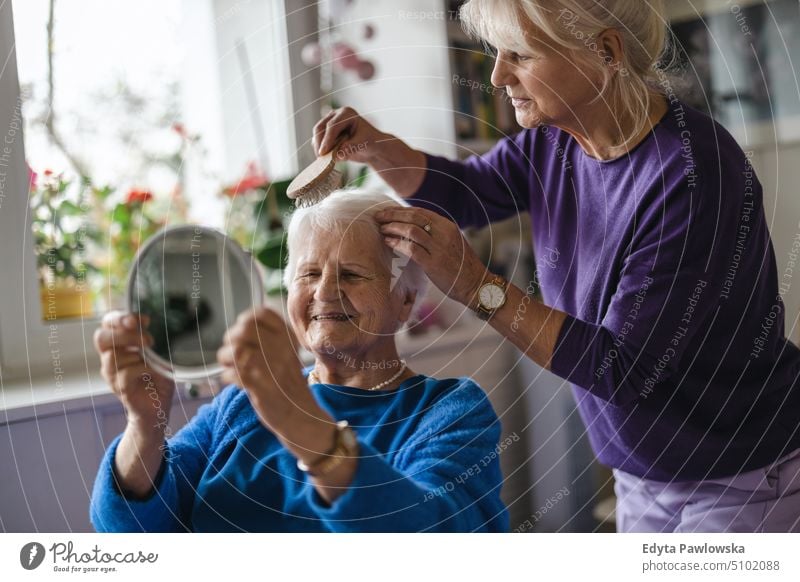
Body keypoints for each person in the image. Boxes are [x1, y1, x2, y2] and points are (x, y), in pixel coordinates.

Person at [312, 0, 800, 532]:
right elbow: (471, 194)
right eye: (497, 54)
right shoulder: (553, 141)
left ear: (605, 51)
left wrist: (477, 286)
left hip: (742, 475)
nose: (498, 76)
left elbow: (622, 368)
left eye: (518, 54)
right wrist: (380, 149)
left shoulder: (690, 176)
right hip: (642, 473)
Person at [89, 189, 509, 533]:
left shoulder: (450, 412)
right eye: (308, 275)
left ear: (405, 299)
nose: (325, 292)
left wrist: (296, 416)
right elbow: (128, 528)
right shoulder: (238, 406)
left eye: (352, 274)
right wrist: (144, 425)